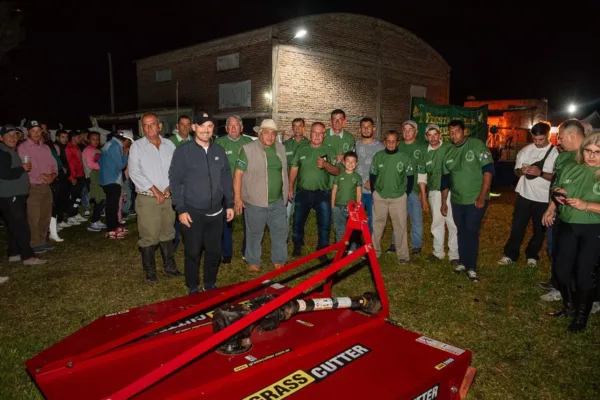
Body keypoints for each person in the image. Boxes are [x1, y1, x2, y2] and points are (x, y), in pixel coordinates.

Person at [170, 113, 234, 293]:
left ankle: (209, 284)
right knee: (193, 252)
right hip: (193, 212)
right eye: (202, 126)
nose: (206, 130)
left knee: (214, 252)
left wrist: (229, 203)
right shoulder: (183, 152)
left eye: (210, 126)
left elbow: (226, 178)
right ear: (194, 128)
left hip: (216, 213)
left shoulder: (219, 151)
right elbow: (175, 181)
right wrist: (180, 209)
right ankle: (193, 286)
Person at [542, 132, 600, 332]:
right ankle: (569, 307)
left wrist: (586, 205)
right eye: (588, 151)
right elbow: (557, 187)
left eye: (597, 152)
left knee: (584, 274)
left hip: (593, 228)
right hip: (567, 224)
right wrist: (555, 200)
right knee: (561, 269)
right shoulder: (570, 167)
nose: (591, 156)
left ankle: (581, 317)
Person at [129, 113, 181, 283]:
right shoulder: (137, 147)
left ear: (159, 126)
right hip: (148, 198)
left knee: (168, 232)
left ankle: (169, 267)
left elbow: (176, 168)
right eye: (145, 125)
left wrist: (170, 187)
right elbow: (134, 172)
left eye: (152, 124)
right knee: (149, 235)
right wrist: (154, 190)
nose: (149, 128)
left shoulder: (169, 145)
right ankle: (150, 272)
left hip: (168, 196)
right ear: (142, 128)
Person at [440, 120, 494, 282]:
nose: (453, 135)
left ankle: (471, 267)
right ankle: (463, 262)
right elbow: (445, 181)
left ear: (465, 132)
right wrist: (444, 202)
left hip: (475, 199)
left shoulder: (476, 145)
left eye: (457, 131)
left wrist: (482, 195)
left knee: (471, 231)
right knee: (461, 231)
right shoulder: (449, 152)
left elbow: (488, 171)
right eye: (451, 132)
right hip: (457, 200)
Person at [498, 122, 558, 266]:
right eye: (535, 139)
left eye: (541, 139)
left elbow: (557, 178)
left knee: (539, 230)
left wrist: (540, 173)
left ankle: (532, 255)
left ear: (548, 135)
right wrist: (522, 171)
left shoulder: (555, 154)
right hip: (524, 195)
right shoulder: (526, 150)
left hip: (543, 198)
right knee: (517, 227)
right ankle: (510, 255)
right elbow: (516, 170)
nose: (537, 142)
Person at [234, 119, 289, 272]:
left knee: (280, 231)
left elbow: (283, 171)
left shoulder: (281, 148)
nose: (270, 136)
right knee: (254, 233)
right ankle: (253, 260)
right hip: (255, 202)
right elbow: (238, 174)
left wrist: (287, 190)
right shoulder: (247, 149)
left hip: (277, 201)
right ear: (260, 133)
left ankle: (279, 258)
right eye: (266, 132)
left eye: (273, 133)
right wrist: (237, 197)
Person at [289, 122, 340, 260]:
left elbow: (337, 171)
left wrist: (326, 164)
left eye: (320, 133)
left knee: (324, 223)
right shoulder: (301, 149)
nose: (317, 136)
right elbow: (294, 168)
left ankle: (322, 250)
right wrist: (290, 187)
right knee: (298, 221)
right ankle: (297, 244)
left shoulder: (330, 150)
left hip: (323, 193)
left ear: (324, 135)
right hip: (303, 192)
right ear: (310, 133)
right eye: (314, 132)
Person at [0, 125, 46, 265]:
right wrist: (22, 168)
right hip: (10, 195)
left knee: (13, 226)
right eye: (9, 135)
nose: (13, 137)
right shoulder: (3, 152)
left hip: (13, 194)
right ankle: (28, 257)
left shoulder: (8, 151)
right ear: (1, 138)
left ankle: (14, 253)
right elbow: (4, 173)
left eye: (15, 135)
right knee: (21, 226)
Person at [370, 130, 414, 263]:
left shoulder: (404, 157)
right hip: (380, 197)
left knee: (400, 227)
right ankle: (374, 252)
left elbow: (410, 177)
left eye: (393, 141)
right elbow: (373, 175)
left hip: (398, 198)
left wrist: (405, 193)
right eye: (388, 141)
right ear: (384, 142)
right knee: (377, 226)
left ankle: (403, 255)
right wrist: (374, 192)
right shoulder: (378, 156)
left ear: (398, 143)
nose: (390, 144)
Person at [417, 124, 458, 264]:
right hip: (434, 191)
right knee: (437, 222)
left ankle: (454, 255)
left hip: (451, 191)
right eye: (430, 135)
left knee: (452, 222)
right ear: (426, 137)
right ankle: (438, 253)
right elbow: (422, 176)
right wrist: (423, 197)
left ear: (440, 135)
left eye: (435, 134)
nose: (433, 138)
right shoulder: (424, 153)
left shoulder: (449, 148)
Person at [215, 115, 253, 264]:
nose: (233, 128)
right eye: (230, 125)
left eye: (236, 125)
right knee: (225, 221)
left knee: (249, 221)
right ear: (226, 128)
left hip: (246, 189)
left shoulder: (249, 143)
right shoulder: (219, 143)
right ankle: (226, 253)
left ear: (241, 128)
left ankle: (247, 251)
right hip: (225, 190)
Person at [18, 120, 58, 254]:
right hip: (33, 186)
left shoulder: (45, 147)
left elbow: (54, 165)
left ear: (42, 132)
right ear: (28, 132)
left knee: (45, 216)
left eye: (38, 131)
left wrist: (53, 175)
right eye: (33, 131)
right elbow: (26, 167)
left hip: (46, 185)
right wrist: (42, 176)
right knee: (33, 217)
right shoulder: (23, 147)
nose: (36, 133)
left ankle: (42, 240)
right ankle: (34, 243)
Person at [396, 120, 427, 255]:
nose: (407, 132)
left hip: (415, 189)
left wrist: (422, 191)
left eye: (410, 129)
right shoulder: (398, 146)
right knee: (398, 219)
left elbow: (425, 170)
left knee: (416, 219)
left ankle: (416, 245)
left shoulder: (422, 147)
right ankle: (395, 244)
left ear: (416, 132)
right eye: (405, 130)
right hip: (399, 190)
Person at [99, 131, 131, 239]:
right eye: (129, 142)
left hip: (106, 179)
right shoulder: (116, 146)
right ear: (126, 140)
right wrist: (125, 154)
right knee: (112, 207)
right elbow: (121, 165)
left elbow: (100, 161)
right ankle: (111, 230)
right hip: (112, 180)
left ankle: (115, 226)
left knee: (113, 205)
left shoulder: (108, 144)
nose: (128, 145)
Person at [355, 117, 384, 234]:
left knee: (373, 220)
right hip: (357, 190)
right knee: (356, 219)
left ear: (374, 129)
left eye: (369, 127)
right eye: (363, 127)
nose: (366, 129)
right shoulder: (355, 145)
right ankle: (356, 242)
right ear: (359, 129)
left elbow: (384, 168)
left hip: (373, 191)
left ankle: (371, 243)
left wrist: (373, 181)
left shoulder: (380, 147)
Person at [332, 151, 362, 249]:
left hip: (351, 208)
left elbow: (358, 193)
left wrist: (357, 208)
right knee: (340, 229)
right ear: (344, 163)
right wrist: (332, 206)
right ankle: (341, 249)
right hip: (338, 207)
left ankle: (351, 249)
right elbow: (334, 191)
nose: (350, 163)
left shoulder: (357, 177)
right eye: (348, 161)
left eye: (353, 161)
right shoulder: (339, 176)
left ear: (356, 164)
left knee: (352, 229)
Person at [283, 118, 309, 222]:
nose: (297, 129)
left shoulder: (309, 144)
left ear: (304, 128)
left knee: (301, 217)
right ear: (292, 128)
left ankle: (297, 233)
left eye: (300, 126)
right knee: (286, 215)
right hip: (289, 187)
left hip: (304, 187)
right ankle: (285, 233)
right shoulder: (285, 145)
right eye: (295, 126)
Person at [83, 132, 106, 232]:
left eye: (97, 139)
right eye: (93, 139)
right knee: (98, 199)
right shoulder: (88, 150)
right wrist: (104, 166)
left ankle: (97, 220)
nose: (96, 141)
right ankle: (93, 222)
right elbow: (90, 164)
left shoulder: (96, 149)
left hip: (97, 176)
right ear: (88, 140)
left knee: (101, 198)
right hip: (92, 177)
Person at [65, 130, 88, 225]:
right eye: (78, 137)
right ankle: (70, 215)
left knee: (78, 196)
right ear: (73, 138)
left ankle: (75, 213)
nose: (80, 138)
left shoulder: (76, 147)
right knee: (74, 196)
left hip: (80, 175)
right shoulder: (69, 148)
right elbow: (69, 163)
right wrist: (72, 177)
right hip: (75, 176)